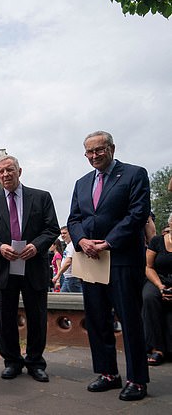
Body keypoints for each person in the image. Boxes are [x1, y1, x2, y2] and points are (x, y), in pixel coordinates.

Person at [67, 130, 150, 401]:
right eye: (89, 152)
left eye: (98, 150)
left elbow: (138, 214)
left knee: (129, 320)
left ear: (111, 148)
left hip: (122, 259)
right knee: (97, 319)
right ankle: (107, 374)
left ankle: (137, 379)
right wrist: (81, 241)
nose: (93, 156)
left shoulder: (134, 174)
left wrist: (108, 242)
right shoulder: (81, 183)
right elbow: (74, 219)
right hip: (91, 261)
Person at [0, 155, 59, 383]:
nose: (5, 175)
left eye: (9, 170)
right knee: (6, 317)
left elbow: (51, 228)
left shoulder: (41, 197)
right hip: (5, 265)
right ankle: (12, 361)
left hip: (34, 265)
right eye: (1, 172)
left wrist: (37, 246)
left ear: (19, 171)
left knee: (37, 316)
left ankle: (35, 361)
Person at [142, 212, 172, 366]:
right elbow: (148, 267)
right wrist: (160, 286)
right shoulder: (157, 242)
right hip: (157, 279)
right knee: (149, 298)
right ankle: (157, 348)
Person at [55, 227, 81, 293]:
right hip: (68, 278)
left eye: (64, 233)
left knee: (78, 300)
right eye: (61, 234)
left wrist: (58, 275)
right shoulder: (68, 245)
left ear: (70, 233)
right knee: (61, 299)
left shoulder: (72, 245)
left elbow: (68, 262)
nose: (62, 235)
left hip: (72, 278)